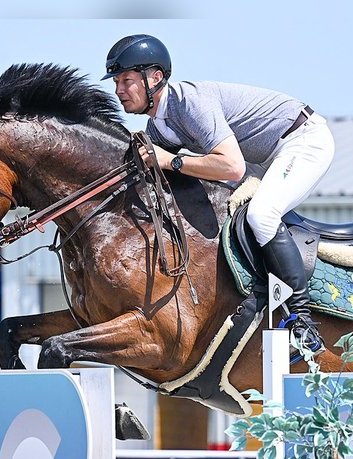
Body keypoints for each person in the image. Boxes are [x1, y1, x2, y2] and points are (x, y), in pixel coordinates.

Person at [103, 34, 335, 353]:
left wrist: (171, 160)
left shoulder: (189, 103)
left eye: (126, 80)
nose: (118, 90)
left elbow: (231, 168)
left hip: (302, 141)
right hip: (266, 157)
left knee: (261, 214)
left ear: (154, 78)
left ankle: (303, 321)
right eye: (116, 82)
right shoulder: (159, 126)